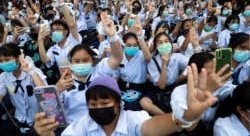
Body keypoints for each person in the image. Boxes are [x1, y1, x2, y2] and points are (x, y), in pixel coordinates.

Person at [33, 63, 218, 136]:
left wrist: (186, 116)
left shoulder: (132, 119)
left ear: (118, 102)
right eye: (93, 104)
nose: (98, 108)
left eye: (105, 103)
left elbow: (153, 127)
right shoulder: (83, 125)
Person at [55, 11, 123, 124]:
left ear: (93, 61)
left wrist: (111, 36)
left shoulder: (100, 70)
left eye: (85, 60)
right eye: (76, 61)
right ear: (70, 63)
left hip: (104, 123)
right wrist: (57, 90)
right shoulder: (64, 81)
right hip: (75, 127)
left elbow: (117, 58)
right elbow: (53, 112)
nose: (81, 63)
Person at [170, 52, 233, 136]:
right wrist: (208, 91)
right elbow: (188, 127)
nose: (214, 77)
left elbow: (234, 92)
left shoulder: (219, 85)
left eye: (215, 72)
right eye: (210, 73)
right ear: (194, 72)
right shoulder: (180, 92)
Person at [0, 43, 47, 134]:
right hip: (19, 118)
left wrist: (31, 72)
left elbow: (45, 93)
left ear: (18, 58)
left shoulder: (33, 72)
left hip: (39, 118)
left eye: (7, 60)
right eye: (1, 61)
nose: (4, 63)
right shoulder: (3, 76)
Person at [140, 32, 189, 115]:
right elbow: (161, 85)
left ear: (170, 43)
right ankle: (166, 118)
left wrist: (181, 77)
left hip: (173, 86)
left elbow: (193, 63)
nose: (164, 44)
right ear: (156, 46)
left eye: (166, 41)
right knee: (144, 102)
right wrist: (164, 64)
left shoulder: (177, 57)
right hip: (157, 88)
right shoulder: (152, 61)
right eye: (160, 42)